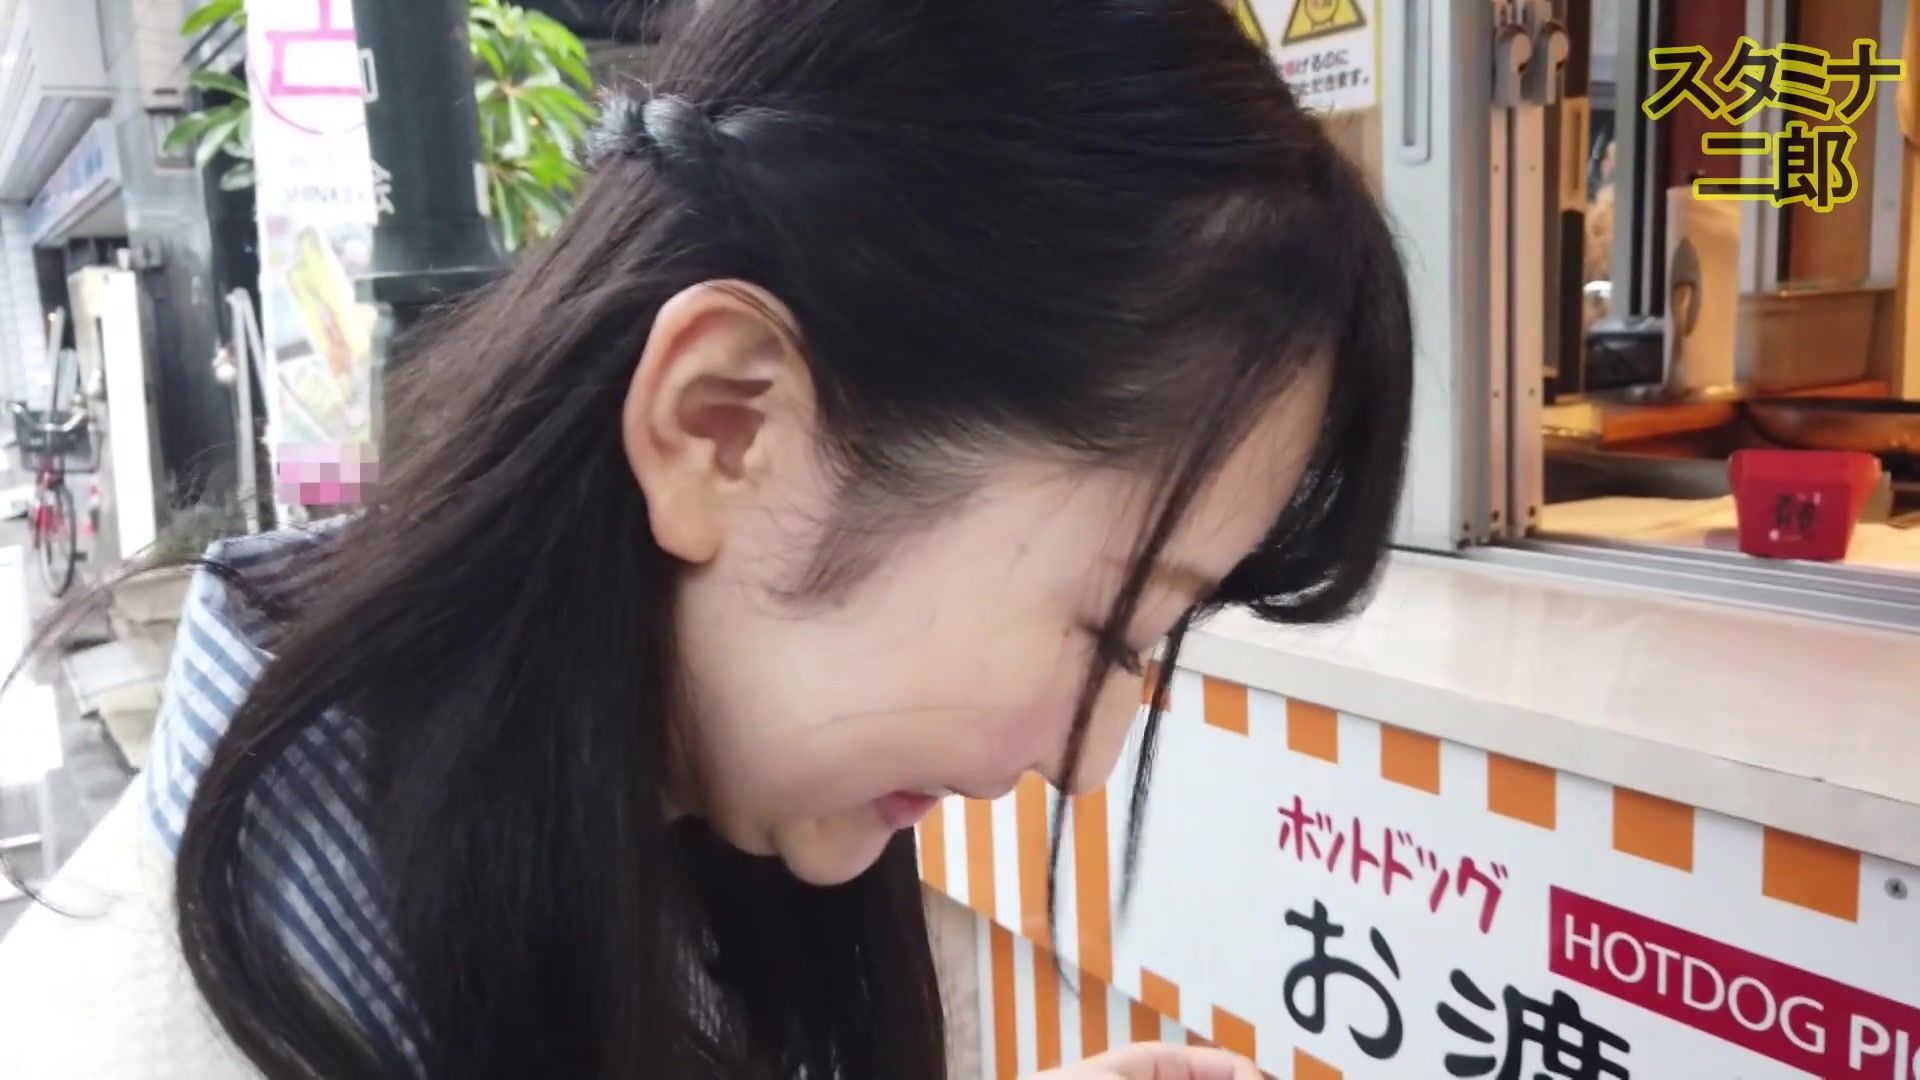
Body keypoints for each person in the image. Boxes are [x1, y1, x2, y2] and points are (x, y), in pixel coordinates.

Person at [0, 0, 1411, 1076]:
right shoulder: (165, 1033)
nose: (1086, 759)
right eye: (1111, 627)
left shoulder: (623, 844)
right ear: (725, 424)